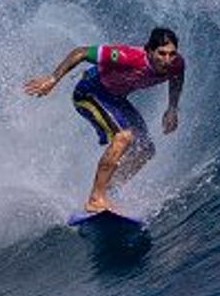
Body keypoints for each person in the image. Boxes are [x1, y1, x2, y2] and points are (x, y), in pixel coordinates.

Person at [23, 27, 185, 212]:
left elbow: (177, 78)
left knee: (146, 149)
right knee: (124, 137)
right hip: (89, 92)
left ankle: (108, 188)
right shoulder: (128, 57)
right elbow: (81, 52)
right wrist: (52, 79)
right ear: (149, 50)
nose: (167, 60)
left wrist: (172, 108)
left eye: (171, 54)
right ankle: (95, 199)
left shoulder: (176, 64)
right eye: (161, 53)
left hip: (117, 99)